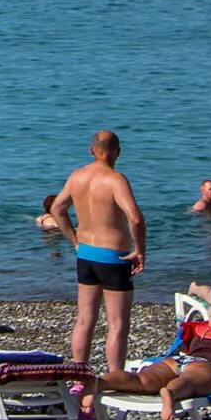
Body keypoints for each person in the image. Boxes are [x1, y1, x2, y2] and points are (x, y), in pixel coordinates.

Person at [79, 292, 211, 420]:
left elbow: (185, 348)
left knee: (141, 379)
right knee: (189, 381)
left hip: (177, 361)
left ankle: (101, 382)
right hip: (210, 366)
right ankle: (171, 393)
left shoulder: (199, 332)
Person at [57, 130, 145, 373]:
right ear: (118, 152)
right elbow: (135, 219)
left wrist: (74, 240)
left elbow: (57, 209)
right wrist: (140, 250)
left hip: (85, 254)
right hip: (113, 257)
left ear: (92, 150)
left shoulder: (77, 177)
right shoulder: (116, 179)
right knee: (117, 323)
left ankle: (78, 374)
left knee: (85, 319)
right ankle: (115, 377)